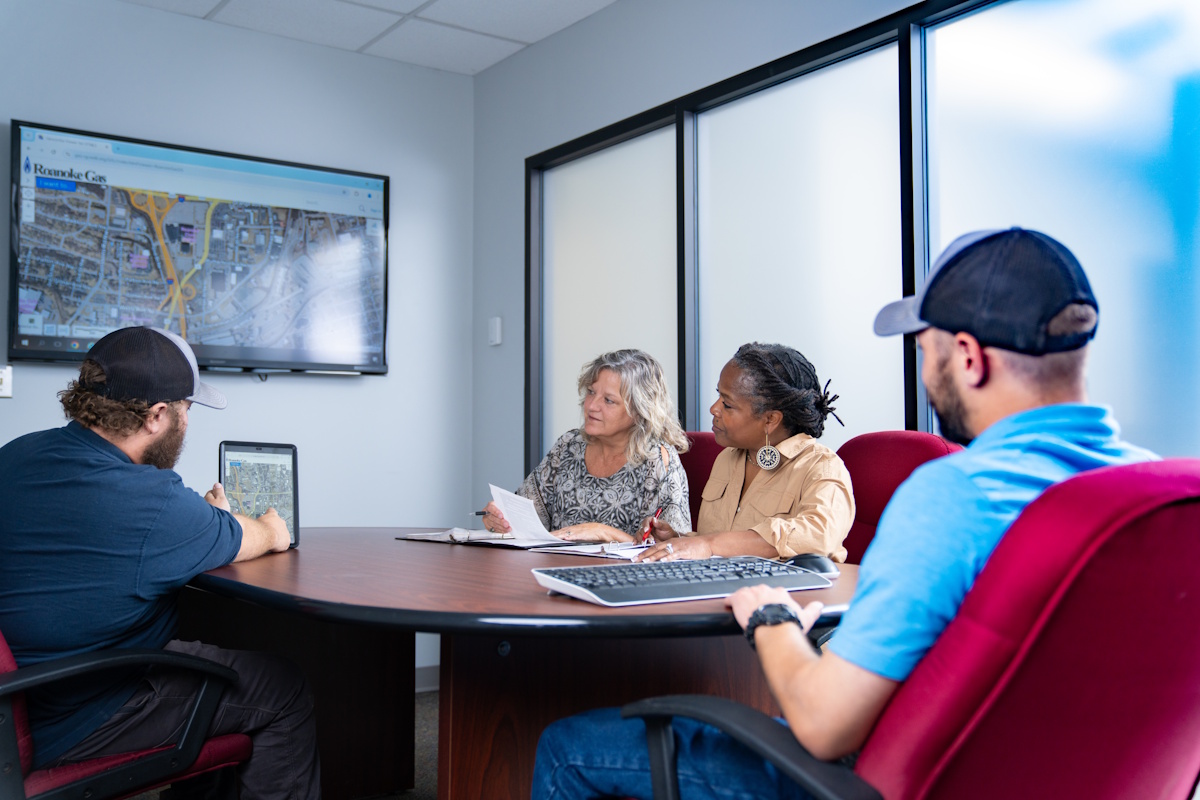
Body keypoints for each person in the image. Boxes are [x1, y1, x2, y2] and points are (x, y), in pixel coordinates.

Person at [530, 227, 1158, 799]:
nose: (924, 366)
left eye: (927, 346)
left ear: (968, 356)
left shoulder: (952, 496)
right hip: (1045, 774)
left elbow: (826, 725)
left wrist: (771, 619)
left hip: (887, 778)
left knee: (565, 747)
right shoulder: (1159, 493)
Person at [0, 326, 321, 800]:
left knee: (208, 658)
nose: (188, 425)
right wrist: (272, 527)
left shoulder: (16, 455)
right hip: (75, 711)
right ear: (157, 415)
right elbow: (262, 535)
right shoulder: (151, 502)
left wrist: (200, 521)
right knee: (281, 688)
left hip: (19, 698)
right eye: (187, 411)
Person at [637, 342, 853, 563]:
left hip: (793, 594)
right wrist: (679, 540)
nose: (714, 409)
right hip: (722, 588)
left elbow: (819, 537)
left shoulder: (822, 467)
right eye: (718, 396)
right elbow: (723, 542)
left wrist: (709, 545)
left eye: (727, 404)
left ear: (770, 420)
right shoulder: (727, 458)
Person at [482, 349, 690, 541]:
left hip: (619, 579)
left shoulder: (658, 459)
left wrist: (601, 531)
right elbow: (527, 518)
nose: (591, 405)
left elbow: (673, 551)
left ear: (639, 409)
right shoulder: (569, 445)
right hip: (552, 569)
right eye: (591, 392)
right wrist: (501, 519)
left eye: (608, 400)